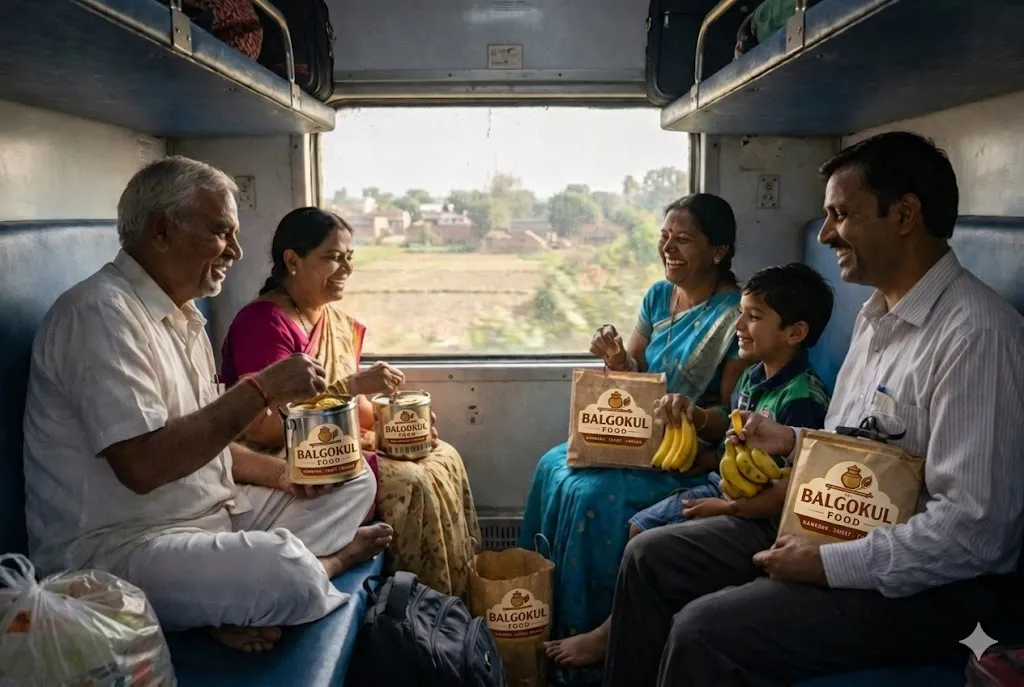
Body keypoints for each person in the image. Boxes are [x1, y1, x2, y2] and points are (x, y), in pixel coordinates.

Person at [602, 132, 1024, 687]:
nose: (825, 235)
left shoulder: (974, 337)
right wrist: (791, 441)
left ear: (905, 214)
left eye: (840, 215)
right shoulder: (877, 316)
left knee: (704, 631)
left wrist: (827, 564)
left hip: (931, 587)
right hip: (839, 520)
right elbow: (867, 446)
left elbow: (975, 532)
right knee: (649, 558)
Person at [22, 156, 393, 654]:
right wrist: (261, 390)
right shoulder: (100, 315)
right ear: (161, 230)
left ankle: (221, 599)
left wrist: (286, 476)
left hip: (211, 516)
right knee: (281, 570)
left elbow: (206, 441)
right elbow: (144, 465)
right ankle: (327, 565)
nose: (236, 251)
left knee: (353, 478)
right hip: (122, 548)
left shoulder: (184, 316)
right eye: (221, 233)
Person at [545, 262, 834, 668]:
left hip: (761, 510)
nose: (739, 326)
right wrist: (695, 416)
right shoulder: (753, 376)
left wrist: (727, 507)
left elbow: (795, 489)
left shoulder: (802, 399)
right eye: (741, 314)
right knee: (638, 526)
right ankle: (625, 631)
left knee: (645, 537)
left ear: (795, 332)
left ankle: (610, 636)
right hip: (724, 484)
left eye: (753, 317)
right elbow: (730, 428)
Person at [517, 193, 750, 682]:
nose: (668, 248)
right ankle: (538, 611)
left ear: (718, 250)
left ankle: (604, 634)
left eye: (683, 239)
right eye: (664, 237)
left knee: (592, 495)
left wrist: (689, 418)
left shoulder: (737, 316)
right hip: (639, 430)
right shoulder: (658, 296)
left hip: (693, 448)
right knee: (553, 464)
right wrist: (616, 357)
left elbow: (732, 413)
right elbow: (634, 375)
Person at [220, 207, 482, 598]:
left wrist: (396, 424)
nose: (346, 268)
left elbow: (353, 408)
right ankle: (408, 603)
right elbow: (263, 427)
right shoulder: (264, 324)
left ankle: (453, 602)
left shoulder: (332, 320)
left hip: (336, 441)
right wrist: (350, 387)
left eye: (349, 257)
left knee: (441, 456)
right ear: (293, 260)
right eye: (332, 257)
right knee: (411, 482)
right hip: (287, 453)